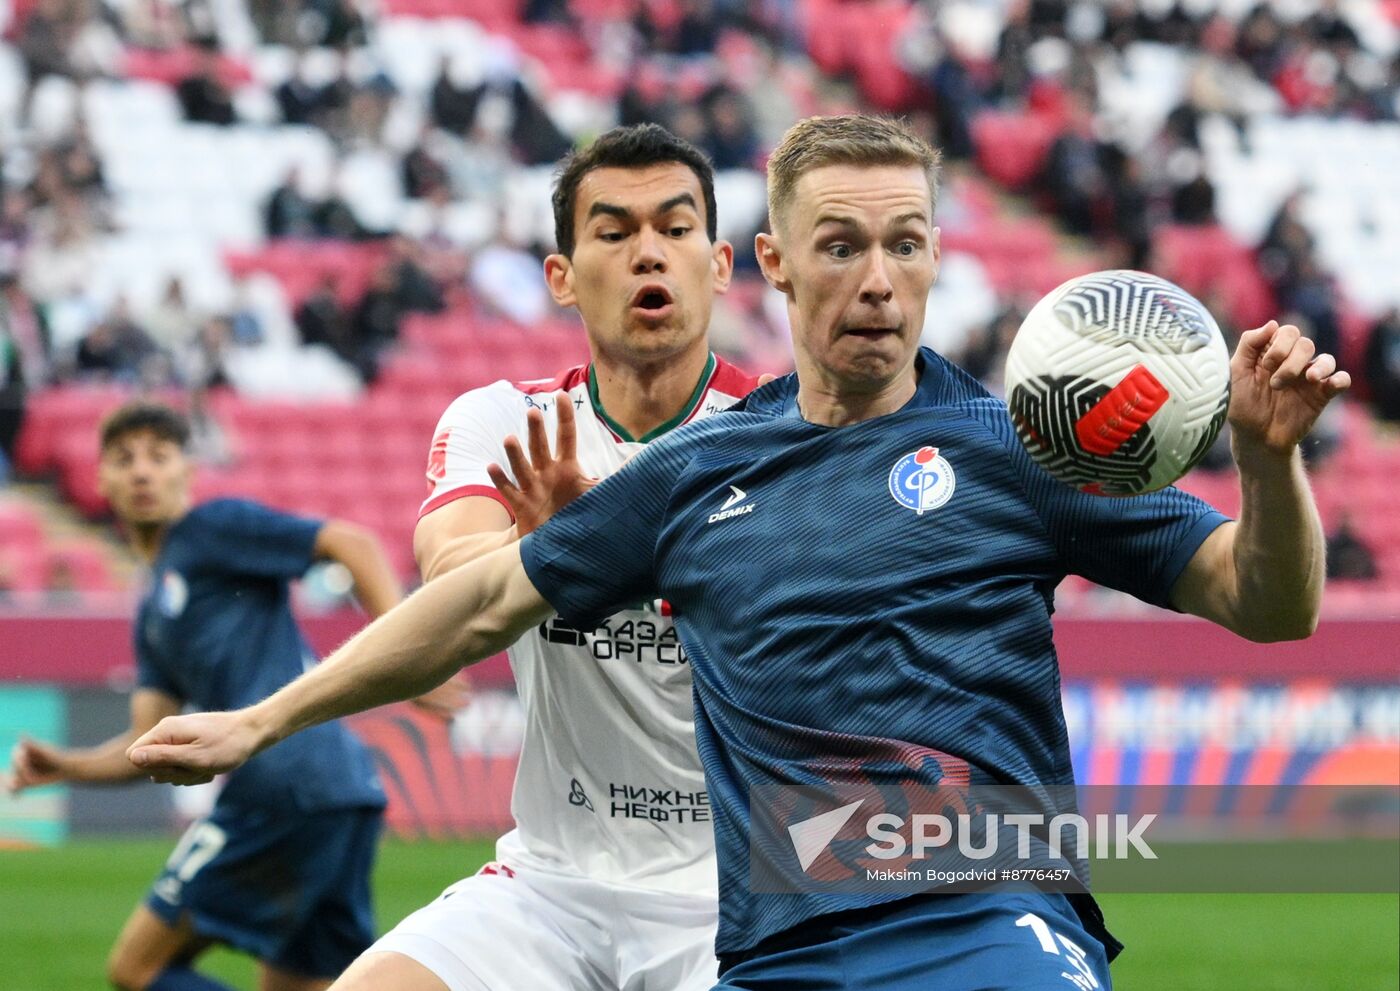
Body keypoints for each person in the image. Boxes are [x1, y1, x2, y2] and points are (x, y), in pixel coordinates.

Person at [126, 115, 1349, 990]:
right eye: (838, 246)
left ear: (936, 257)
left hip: (985, 911)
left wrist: (1263, 459)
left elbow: (1266, 602)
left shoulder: (1022, 444)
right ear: (771, 263)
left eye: (906, 244)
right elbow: (477, 601)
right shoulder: (696, 470)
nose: (877, 279)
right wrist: (258, 720)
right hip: (773, 947)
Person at [354, 124, 760, 991]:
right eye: (614, 232)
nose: (648, 253)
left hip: (738, 890)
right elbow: (453, 584)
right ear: (563, 278)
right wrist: (549, 545)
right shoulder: (503, 423)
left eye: (675, 228)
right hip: (549, 885)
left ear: (720, 264)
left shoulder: (787, 441)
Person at [4, 401, 452, 991]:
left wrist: (410, 651)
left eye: (158, 457)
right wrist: (66, 766)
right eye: (124, 459)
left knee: (139, 968)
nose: (142, 471)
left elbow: (351, 541)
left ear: (187, 472)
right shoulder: (153, 612)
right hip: (343, 792)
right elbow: (149, 745)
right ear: (99, 480)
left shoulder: (211, 530)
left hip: (282, 786)